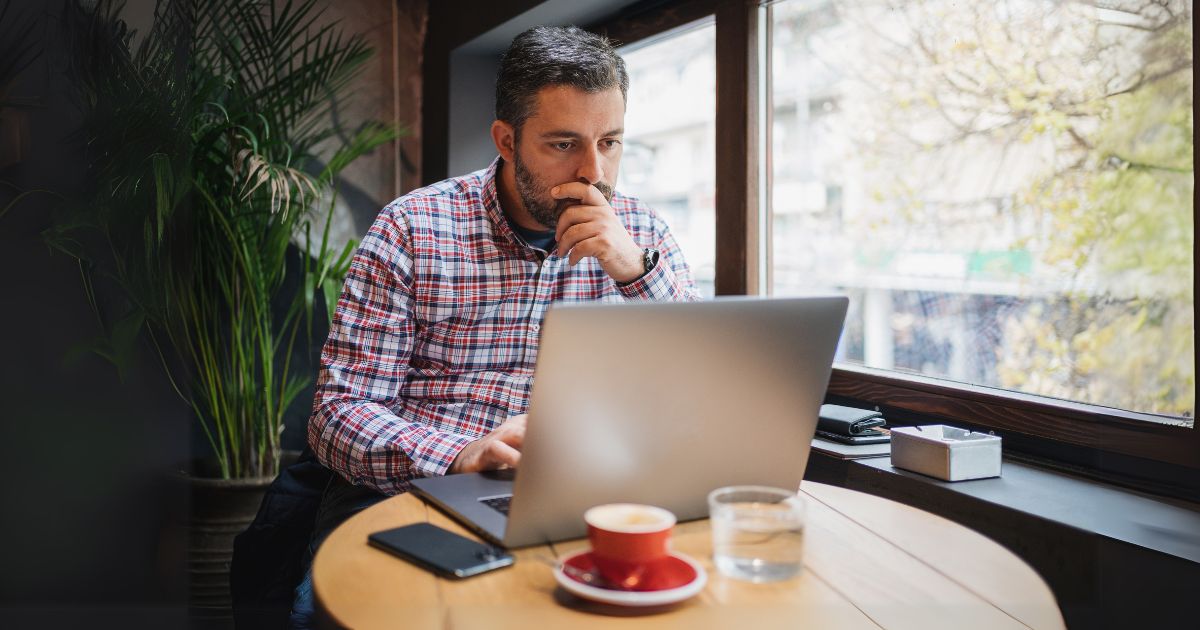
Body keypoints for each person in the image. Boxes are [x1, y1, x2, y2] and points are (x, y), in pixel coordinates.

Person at [286, 24, 700, 628]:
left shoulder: (644, 237)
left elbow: (695, 389)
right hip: (414, 493)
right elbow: (338, 415)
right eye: (564, 144)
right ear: (506, 140)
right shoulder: (411, 229)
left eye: (610, 142)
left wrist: (633, 270)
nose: (594, 172)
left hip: (579, 497)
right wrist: (458, 454)